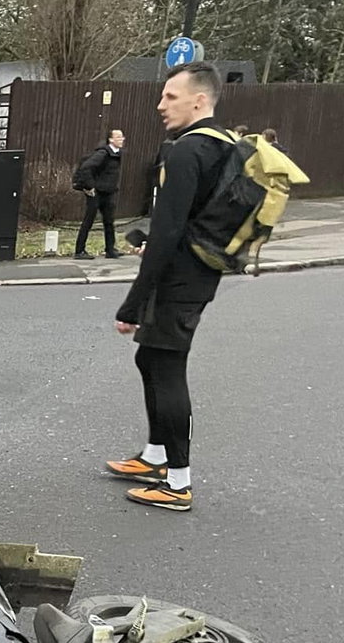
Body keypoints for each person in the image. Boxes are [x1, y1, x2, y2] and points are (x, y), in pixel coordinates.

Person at [106, 62, 234, 513]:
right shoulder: (222, 146)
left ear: (199, 100)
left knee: (166, 367)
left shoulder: (186, 151)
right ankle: (157, 455)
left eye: (170, 97)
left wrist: (132, 303)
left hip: (180, 278)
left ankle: (177, 482)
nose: (161, 105)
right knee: (151, 358)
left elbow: (167, 231)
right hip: (198, 270)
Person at [73, 129, 125, 260]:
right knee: (88, 221)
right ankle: (79, 251)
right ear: (111, 140)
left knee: (109, 221)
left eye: (122, 137)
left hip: (108, 193)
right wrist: (89, 186)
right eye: (118, 137)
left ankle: (110, 250)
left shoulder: (117, 154)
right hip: (96, 193)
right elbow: (86, 167)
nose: (122, 139)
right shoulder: (103, 153)